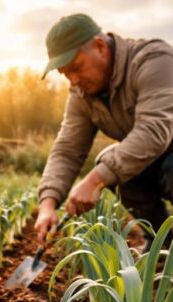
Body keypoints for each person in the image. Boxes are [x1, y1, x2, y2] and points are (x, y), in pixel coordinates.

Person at [34, 14, 173, 249]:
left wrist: (94, 180)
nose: (73, 80)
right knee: (114, 167)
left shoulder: (154, 60)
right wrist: (47, 204)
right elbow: (67, 150)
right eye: (66, 74)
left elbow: (154, 131)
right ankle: (162, 244)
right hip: (155, 157)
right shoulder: (81, 94)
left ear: (100, 46)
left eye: (77, 67)